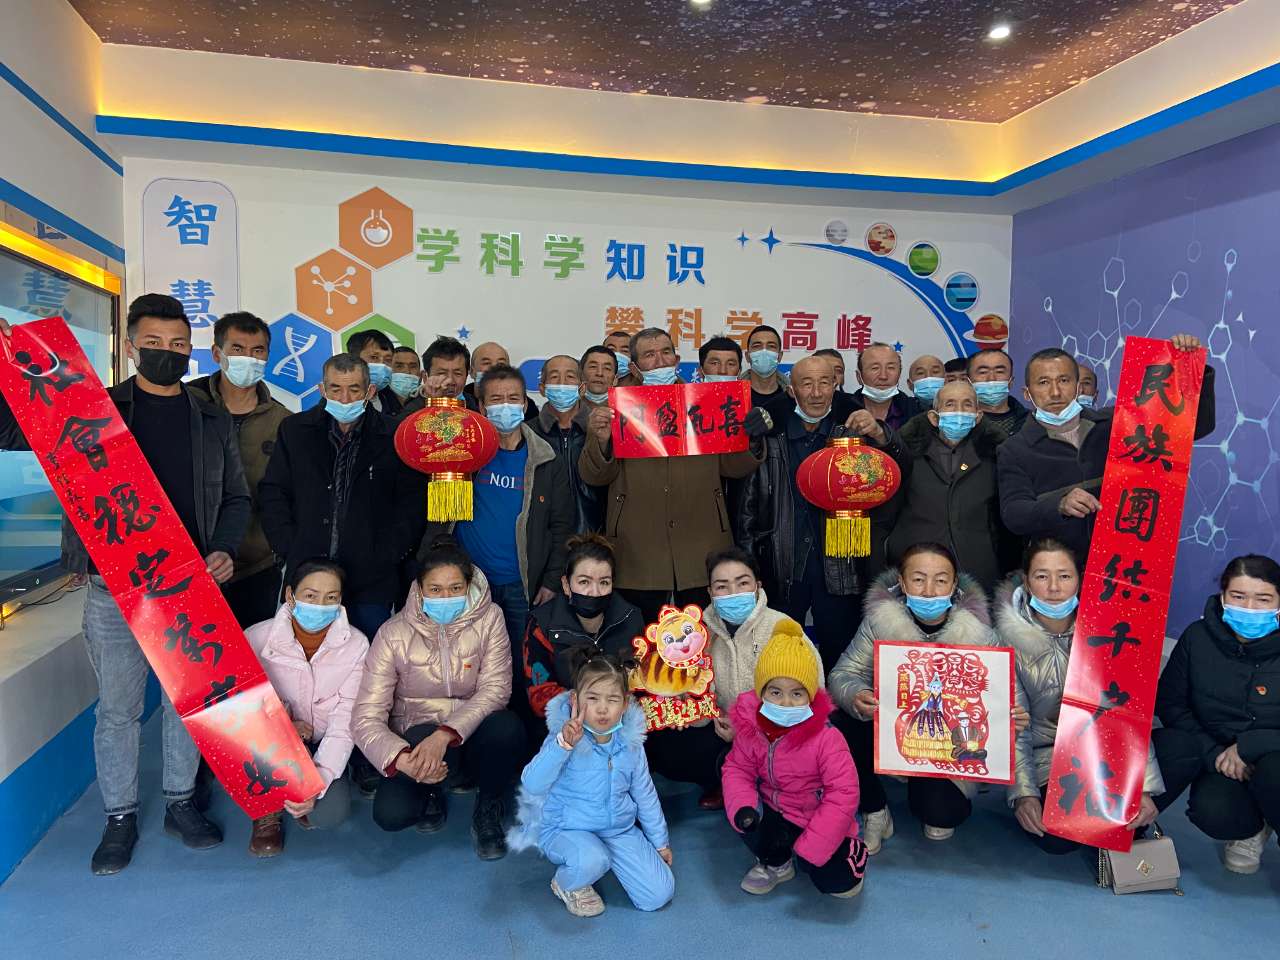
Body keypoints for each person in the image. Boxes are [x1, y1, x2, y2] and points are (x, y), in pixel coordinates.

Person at [0, 294, 250, 874]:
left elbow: (236, 497)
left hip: (188, 586)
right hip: (114, 588)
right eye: (155, 343)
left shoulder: (211, 418)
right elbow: (10, 430)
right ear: (132, 346)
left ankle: (181, 802)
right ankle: (119, 815)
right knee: (117, 709)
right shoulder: (92, 410)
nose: (168, 353)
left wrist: (223, 548)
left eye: (179, 344)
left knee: (188, 704)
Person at [580, 327, 768, 625]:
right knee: (640, 640)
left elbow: (733, 468)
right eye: (649, 355)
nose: (659, 361)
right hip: (638, 548)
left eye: (666, 352)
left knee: (703, 638)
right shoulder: (616, 409)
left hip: (702, 543)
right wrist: (601, 441)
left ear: (677, 359)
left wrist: (752, 438)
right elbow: (595, 477)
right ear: (635, 366)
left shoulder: (705, 401)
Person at [353, 537, 525, 859]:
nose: (446, 597)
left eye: (455, 588)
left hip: (471, 735)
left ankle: (487, 806)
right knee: (391, 815)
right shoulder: (392, 633)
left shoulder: (491, 618)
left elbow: (496, 689)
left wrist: (445, 734)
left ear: (468, 586)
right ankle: (430, 789)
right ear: (419, 589)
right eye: (435, 589)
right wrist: (400, 759)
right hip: (417, 740)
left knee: (507, 727)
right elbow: (365, 716)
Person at [737, 355, 906, 672]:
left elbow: (898, 470)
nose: (816, 393)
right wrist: (749, 566)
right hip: (783, 565)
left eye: (824, 383)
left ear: (836, 385)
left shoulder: (854, 433)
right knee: (779, 659)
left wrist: (881, 433)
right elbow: (748, 505)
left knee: (841, 659)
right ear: (792, 391)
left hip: (842, 565)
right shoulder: (772, 436)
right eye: (807, 384)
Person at [828, 543, 997, 853]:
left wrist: (1008, 715)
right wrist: (857, 695)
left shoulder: (981, 634)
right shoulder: (879, 622)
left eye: (940, 580)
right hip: (893, 730)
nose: (929, 591)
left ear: (954, 585)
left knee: (942, 815)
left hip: (947, 745)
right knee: (837, 722)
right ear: (902, 583)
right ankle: (875, 809)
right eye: (918, 579)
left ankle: (927, 788)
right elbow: (843, 674)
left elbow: (999, 695)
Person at [997, 539, 1160, 854]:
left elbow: (1126, 710)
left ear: (1080, 580)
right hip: (1047, 756)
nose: (1054, 587)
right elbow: (1016, 728)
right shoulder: (1004, 638)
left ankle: (1122, 818)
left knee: (1176, 755)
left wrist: (1142, 785)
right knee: (1057, 839)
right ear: (1026, 582)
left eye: (1064, 576)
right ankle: (1103, 823)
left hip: (1105, 751)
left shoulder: (1110, 629)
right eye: (1042, 576)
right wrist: (1024, 794)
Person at [997, 336, 1214, 562]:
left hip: (1122, 562)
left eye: (1064, 380)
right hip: (1059, 569)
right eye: (1043, 382)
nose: (1055, 392)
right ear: (1027, 393)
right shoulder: (1014, 449)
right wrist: (1059, 504)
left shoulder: (1118, 423)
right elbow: (1014, 513)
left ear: (1078, 387)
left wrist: (1189, 365)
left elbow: (1192, 427)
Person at [259, 353, 425, 641]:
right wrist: (289, 546)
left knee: (368, 659)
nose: (345, 398)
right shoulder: (295, 430)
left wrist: (386, 555)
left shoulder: (395, 435)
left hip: (371, 581)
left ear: (369, 391)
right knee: (298, 656)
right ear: (322, 390)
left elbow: (411, 505)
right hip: (306, 575)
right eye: (335, 389)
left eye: (354, 389)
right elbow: (274, 492)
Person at [454, 363, 573, 736]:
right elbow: (444, 513)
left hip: (525, 587)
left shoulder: (546, 458)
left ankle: (527, 744)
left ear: (525, 403)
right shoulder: (464, 451)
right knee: (473, 668)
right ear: (481, 405)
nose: (505, 406)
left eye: (513, 399)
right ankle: (483, 740)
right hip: (473, 587)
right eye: (495, 399)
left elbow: (562, 527)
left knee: (527, 670)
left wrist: (551, 581)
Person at [510, 653, 674, 917]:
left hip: (617, 830)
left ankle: (600, 858)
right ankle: (566, 883)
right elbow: (532, 783)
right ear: (575, 700)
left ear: (625, 704)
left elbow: (645, 794)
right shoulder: (563, 737)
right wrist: (563, 746)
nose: (602, 709)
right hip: (567, 828)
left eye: (612, 700)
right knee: (593, 859)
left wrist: (659, 842)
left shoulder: (631, 743)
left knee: (658, 894)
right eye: (593, 698)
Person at [1153, 554, 1280, 875]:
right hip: (1222, 758)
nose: (1250, 608)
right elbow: (1171, 704)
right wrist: (1217, 754)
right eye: (1238, 596)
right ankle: (1253, 829)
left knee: (1275, 775)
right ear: (1223, 597)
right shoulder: (1197, 637)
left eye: (1263, 599)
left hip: (1274, 755)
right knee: (1213, 811)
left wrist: (1248, 747)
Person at [722, 622, 867, 898]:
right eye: (775, 692)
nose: (785, 703)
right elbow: (737, 769)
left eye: (797, 693)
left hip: (818, 815)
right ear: (761, 692)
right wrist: (744, 807)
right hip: (777, 811)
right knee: (748, 819)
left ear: (810, 697)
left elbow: (843, 793)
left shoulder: (827, 738)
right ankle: (778, 863)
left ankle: (852, 850)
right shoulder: (752, 727)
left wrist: (814, 846)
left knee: (837, 883)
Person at [243, 558, 369, 857]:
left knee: (330, 812)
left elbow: (346, 719)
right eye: (310, 595)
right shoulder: (255, 638)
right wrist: (286, 726)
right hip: (270, 741)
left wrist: (318, 781)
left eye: (331, 597)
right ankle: (267, 810)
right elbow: (244, 708)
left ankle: (309, 790)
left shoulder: (357, 645)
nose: (320, 606)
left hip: (322, 738)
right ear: (290, 595)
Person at [187, 311, 289, 627]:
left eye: (257, 350)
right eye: (237, 349)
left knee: (252, 650)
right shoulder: (188, 405)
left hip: (256, 566)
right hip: (190, 563)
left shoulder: (284, 422)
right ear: (217, 353)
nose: (248, 358)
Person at [887, 380, 1012, 593]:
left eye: (967, 404)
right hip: (917, 572)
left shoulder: (996, 456)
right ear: (934, 418)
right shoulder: (906, 457)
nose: (959, 412)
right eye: (950, 404)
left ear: (978, 417)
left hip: (978, 573)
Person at [524, 534, 645, 718]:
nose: (594, 592)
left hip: (622, 722)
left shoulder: (631, 618)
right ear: (566, 585)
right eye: (584, 582)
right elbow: (539, 695)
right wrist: (595, 708)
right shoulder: (541, 624)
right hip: (565, 723)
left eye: (604, 582)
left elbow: (644, 683)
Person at [702, 547, 824, 718]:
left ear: (757, 586)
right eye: (722, 586)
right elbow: (699, 704)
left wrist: (747, 729)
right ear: (710, 593)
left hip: (776, 730)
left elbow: (813, 698)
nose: (733, 593)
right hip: (722, 728)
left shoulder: (783, 628)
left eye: (743, 583)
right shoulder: (701, 638)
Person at [533, 354, 602, 533]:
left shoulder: (600, 430)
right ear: (542, 389)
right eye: (554, 377)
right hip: (544, 537)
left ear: (582, 388)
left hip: (593, 535)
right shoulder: (529, 434)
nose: (562, 383)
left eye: (570, 376)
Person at [836, 342, 923, 431]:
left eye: (891, 368)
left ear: (899, 374)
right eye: (875, 368)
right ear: (859, 376)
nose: (883, 376)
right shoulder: (840, 411)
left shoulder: (916, 411)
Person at [400, 336, 473, 419]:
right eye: (442, 373)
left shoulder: (475, 405)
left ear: (466, 375)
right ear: (425, 377)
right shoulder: (412, 410)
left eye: (457, 373)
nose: (450, 381)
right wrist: (431, 404)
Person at [465, 340, 538, 420]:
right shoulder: (460, 403)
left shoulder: (526, 407)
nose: (494, 368)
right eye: (486, 363)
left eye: (501, 364)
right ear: (471, 371)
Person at [743, 324, 794, 434]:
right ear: (747, 356)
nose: (764, 351)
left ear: (780, 356)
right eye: (757, 346)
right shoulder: (734, 398)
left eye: (771, 346)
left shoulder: (793, 398)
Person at [967, 349, 1028, 436]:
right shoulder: (958, 423)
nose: (991, 378)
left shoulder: (1032, 422)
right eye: (983, 372)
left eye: (999, 372)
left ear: (1011, 382)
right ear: (968, 382)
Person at [346, 328, 399, 415]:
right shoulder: (339, 403)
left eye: (388, 359)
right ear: (354, 360)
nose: (382, 364)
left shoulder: (391, 398)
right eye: (374, 357)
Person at [579, 345, 617, 410]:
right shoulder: (568, 409)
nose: (599, 373)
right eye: (593, 366)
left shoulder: (627, 410)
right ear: (581, 374)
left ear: (615, 380)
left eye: (607, 368)